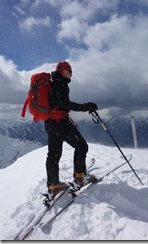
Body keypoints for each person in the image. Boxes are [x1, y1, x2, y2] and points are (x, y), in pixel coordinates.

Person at [44, 61, 98, 198]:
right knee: (81, 146)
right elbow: (64, 104)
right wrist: (85, 106)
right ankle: (80, 177)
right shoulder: (60, 84)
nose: (71, 75)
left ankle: (53, 185)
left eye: (71, 72)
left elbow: (57, 103)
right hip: (61, 123)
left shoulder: (50, 84)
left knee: (53, 155)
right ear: (61, 71)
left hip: (50, 123)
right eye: (69, 71)